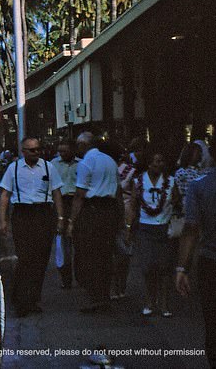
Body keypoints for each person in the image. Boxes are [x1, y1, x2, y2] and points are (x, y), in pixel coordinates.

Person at [0, 136, 66, 317]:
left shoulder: (48, 167)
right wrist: (2, 220)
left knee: (40, 258)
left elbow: (57, 192)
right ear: (23, 152)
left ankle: (33, 299)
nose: (37, 152)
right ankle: (21, 300)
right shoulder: (13, 169)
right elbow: (5, 195)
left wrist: (60, 218)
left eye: (38, 149)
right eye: (32, 150)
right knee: (25, 257)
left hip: (43, 214)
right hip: (22, 214)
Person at [175, 138, 216, 368]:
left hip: (211, 262)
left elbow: (191, 229)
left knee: (213, 320)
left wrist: (182, 268)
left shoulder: (200, 185)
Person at [67, 131, 121, 313]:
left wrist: (72, 221)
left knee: (90, 254)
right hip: (110, 210)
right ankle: (104, 294)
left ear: (83, 146)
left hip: (93, 210)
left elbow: (80, 195)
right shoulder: (110, 161)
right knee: (106, 254)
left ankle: (95, 296)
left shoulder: (86, 163)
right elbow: (118, 190)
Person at [126, 151, 177, 317]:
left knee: (164, 267)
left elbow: (177, 203)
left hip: (164, 227)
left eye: (161, 161)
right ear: (148, 164)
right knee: (148, 267)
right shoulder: (139, 181)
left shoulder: (170, 181)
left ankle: (163, 303)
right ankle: (149, 300)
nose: (158, 164)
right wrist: (128, 228)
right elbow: (133, 205)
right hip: (146, 228)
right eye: (155, 161)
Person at [112, 140, 141, 300]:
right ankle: (117, 286)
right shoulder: (129, 171)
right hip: (121, 211)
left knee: (121, 253)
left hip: (123, 212)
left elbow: (134, 198)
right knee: (121, 254)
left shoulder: (128, 171)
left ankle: (119, 285)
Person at [50, 138, 80, 288]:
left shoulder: (80, 164)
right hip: (60, 202)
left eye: (65, 151)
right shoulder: (53, 164)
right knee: (62, 243)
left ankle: (80, 275)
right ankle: (66, 277)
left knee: (78, 240)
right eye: (60, 151)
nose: (62, 154)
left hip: (76, 201)